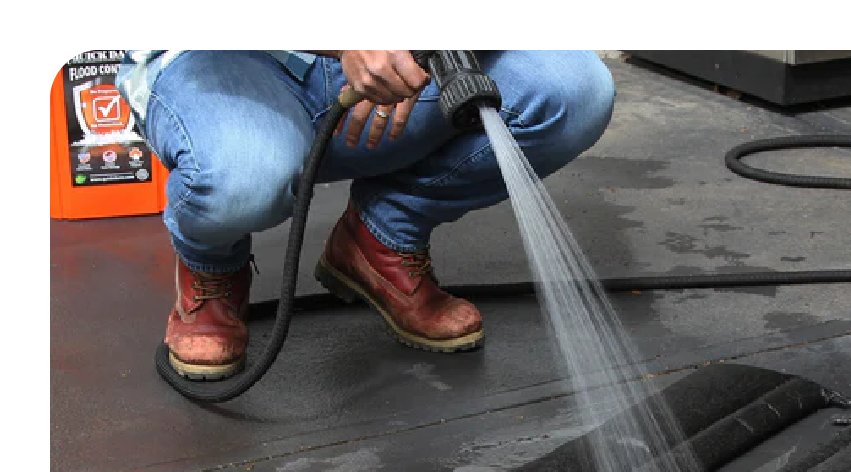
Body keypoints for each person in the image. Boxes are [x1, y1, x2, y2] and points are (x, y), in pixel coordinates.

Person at [115, 50, 616, 380]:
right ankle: (212, 264)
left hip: (391, 67)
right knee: (240, 178)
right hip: (228, 67)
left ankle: (380, 238)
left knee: (571, 93)